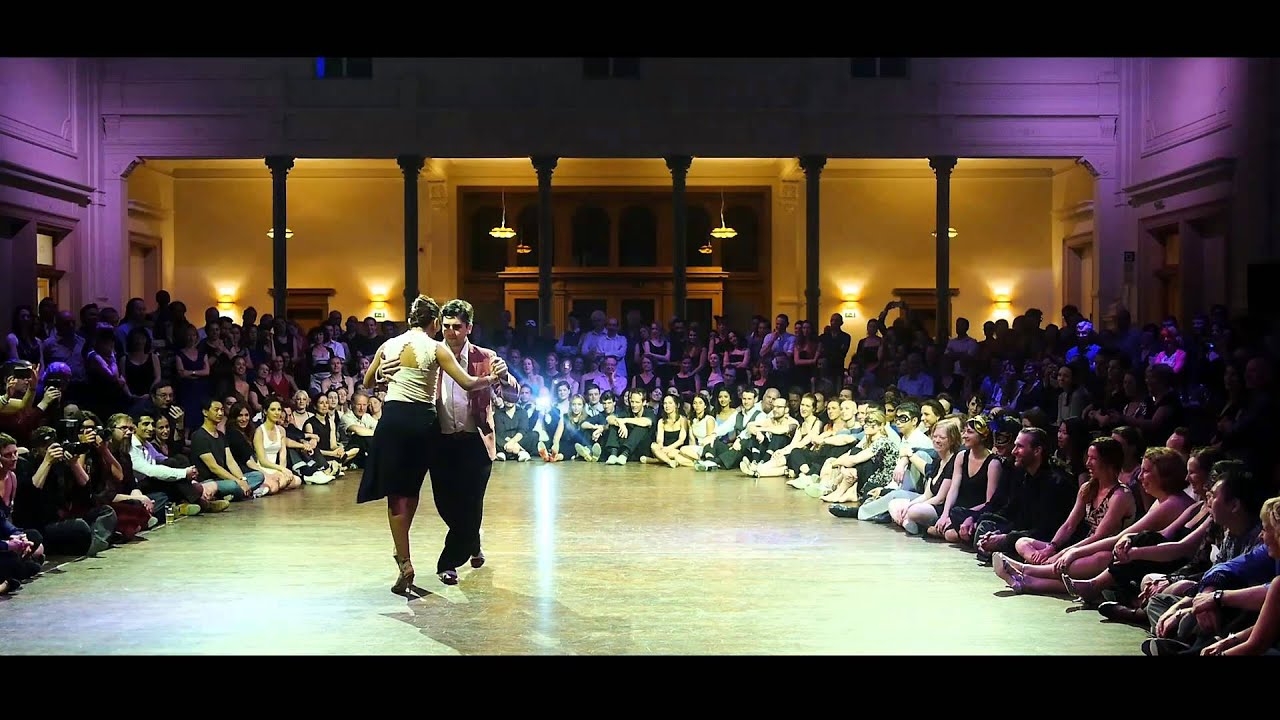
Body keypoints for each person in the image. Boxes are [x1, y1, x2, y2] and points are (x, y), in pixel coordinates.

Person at [356, 295, 507, 593]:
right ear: (434, 323)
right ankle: (466, 538)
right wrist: (490, 377)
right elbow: (466, 382)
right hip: (423, 422)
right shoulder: (436, 347)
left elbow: (368, 382)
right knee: (419, 492)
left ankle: (404, 560)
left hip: (393, 420)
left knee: (397, 496)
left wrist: (381, 375)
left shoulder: (388, 346)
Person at [430, 299, 517, 585]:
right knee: (445, 502)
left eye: (457, 327)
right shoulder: (432, 354)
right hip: (440, 439)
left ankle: (449, 562)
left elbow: (513, 396)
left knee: (470, 502)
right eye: (446, 327)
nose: (450, 332)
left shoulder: (486, 357)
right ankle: (472, 541)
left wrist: (505, 378)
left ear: (469, 328)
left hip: (476, 440)